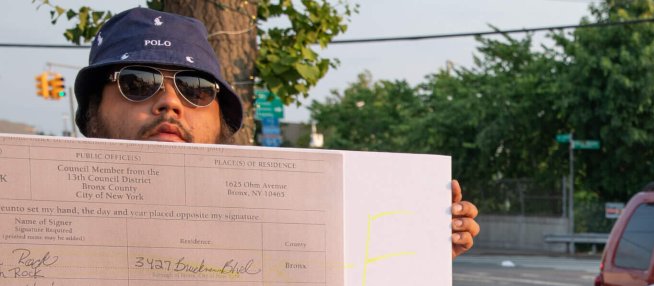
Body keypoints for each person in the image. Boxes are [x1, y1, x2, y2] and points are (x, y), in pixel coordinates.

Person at [72, 7, 480, 256]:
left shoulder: (285, 229)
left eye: (195, 89)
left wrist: (418, 254)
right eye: (137, 82)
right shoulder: (28, 225)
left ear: (222, 121)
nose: (170, 103)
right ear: (93, 111)